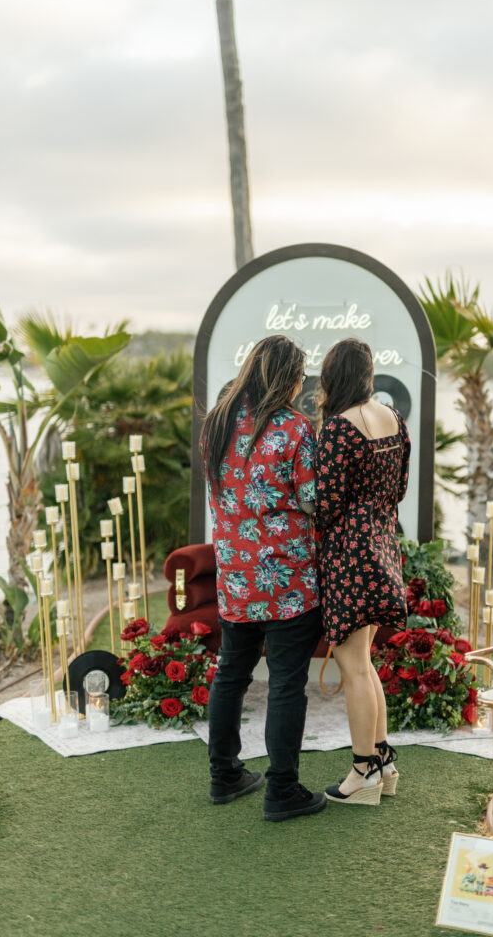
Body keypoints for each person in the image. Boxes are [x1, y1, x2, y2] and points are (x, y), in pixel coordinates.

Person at [200, 334, 326, 822]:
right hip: (288, 583)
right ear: (289, 377)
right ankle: (282, 790)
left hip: (235, 579)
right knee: (286, 684)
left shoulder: (217, 423)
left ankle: (224, 775)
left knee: (231, 674)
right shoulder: (294, 429)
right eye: (299, 376)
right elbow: (313, 500)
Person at [315, 338, 410, 804]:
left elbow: (327, 502)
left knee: (353, 666)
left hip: (349, 555)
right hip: (383, 544)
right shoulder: (395, 421)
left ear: (334, 377)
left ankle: (362, 774)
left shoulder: (337, 429)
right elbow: (400, 489)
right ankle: (384, 764)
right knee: (365, 663)